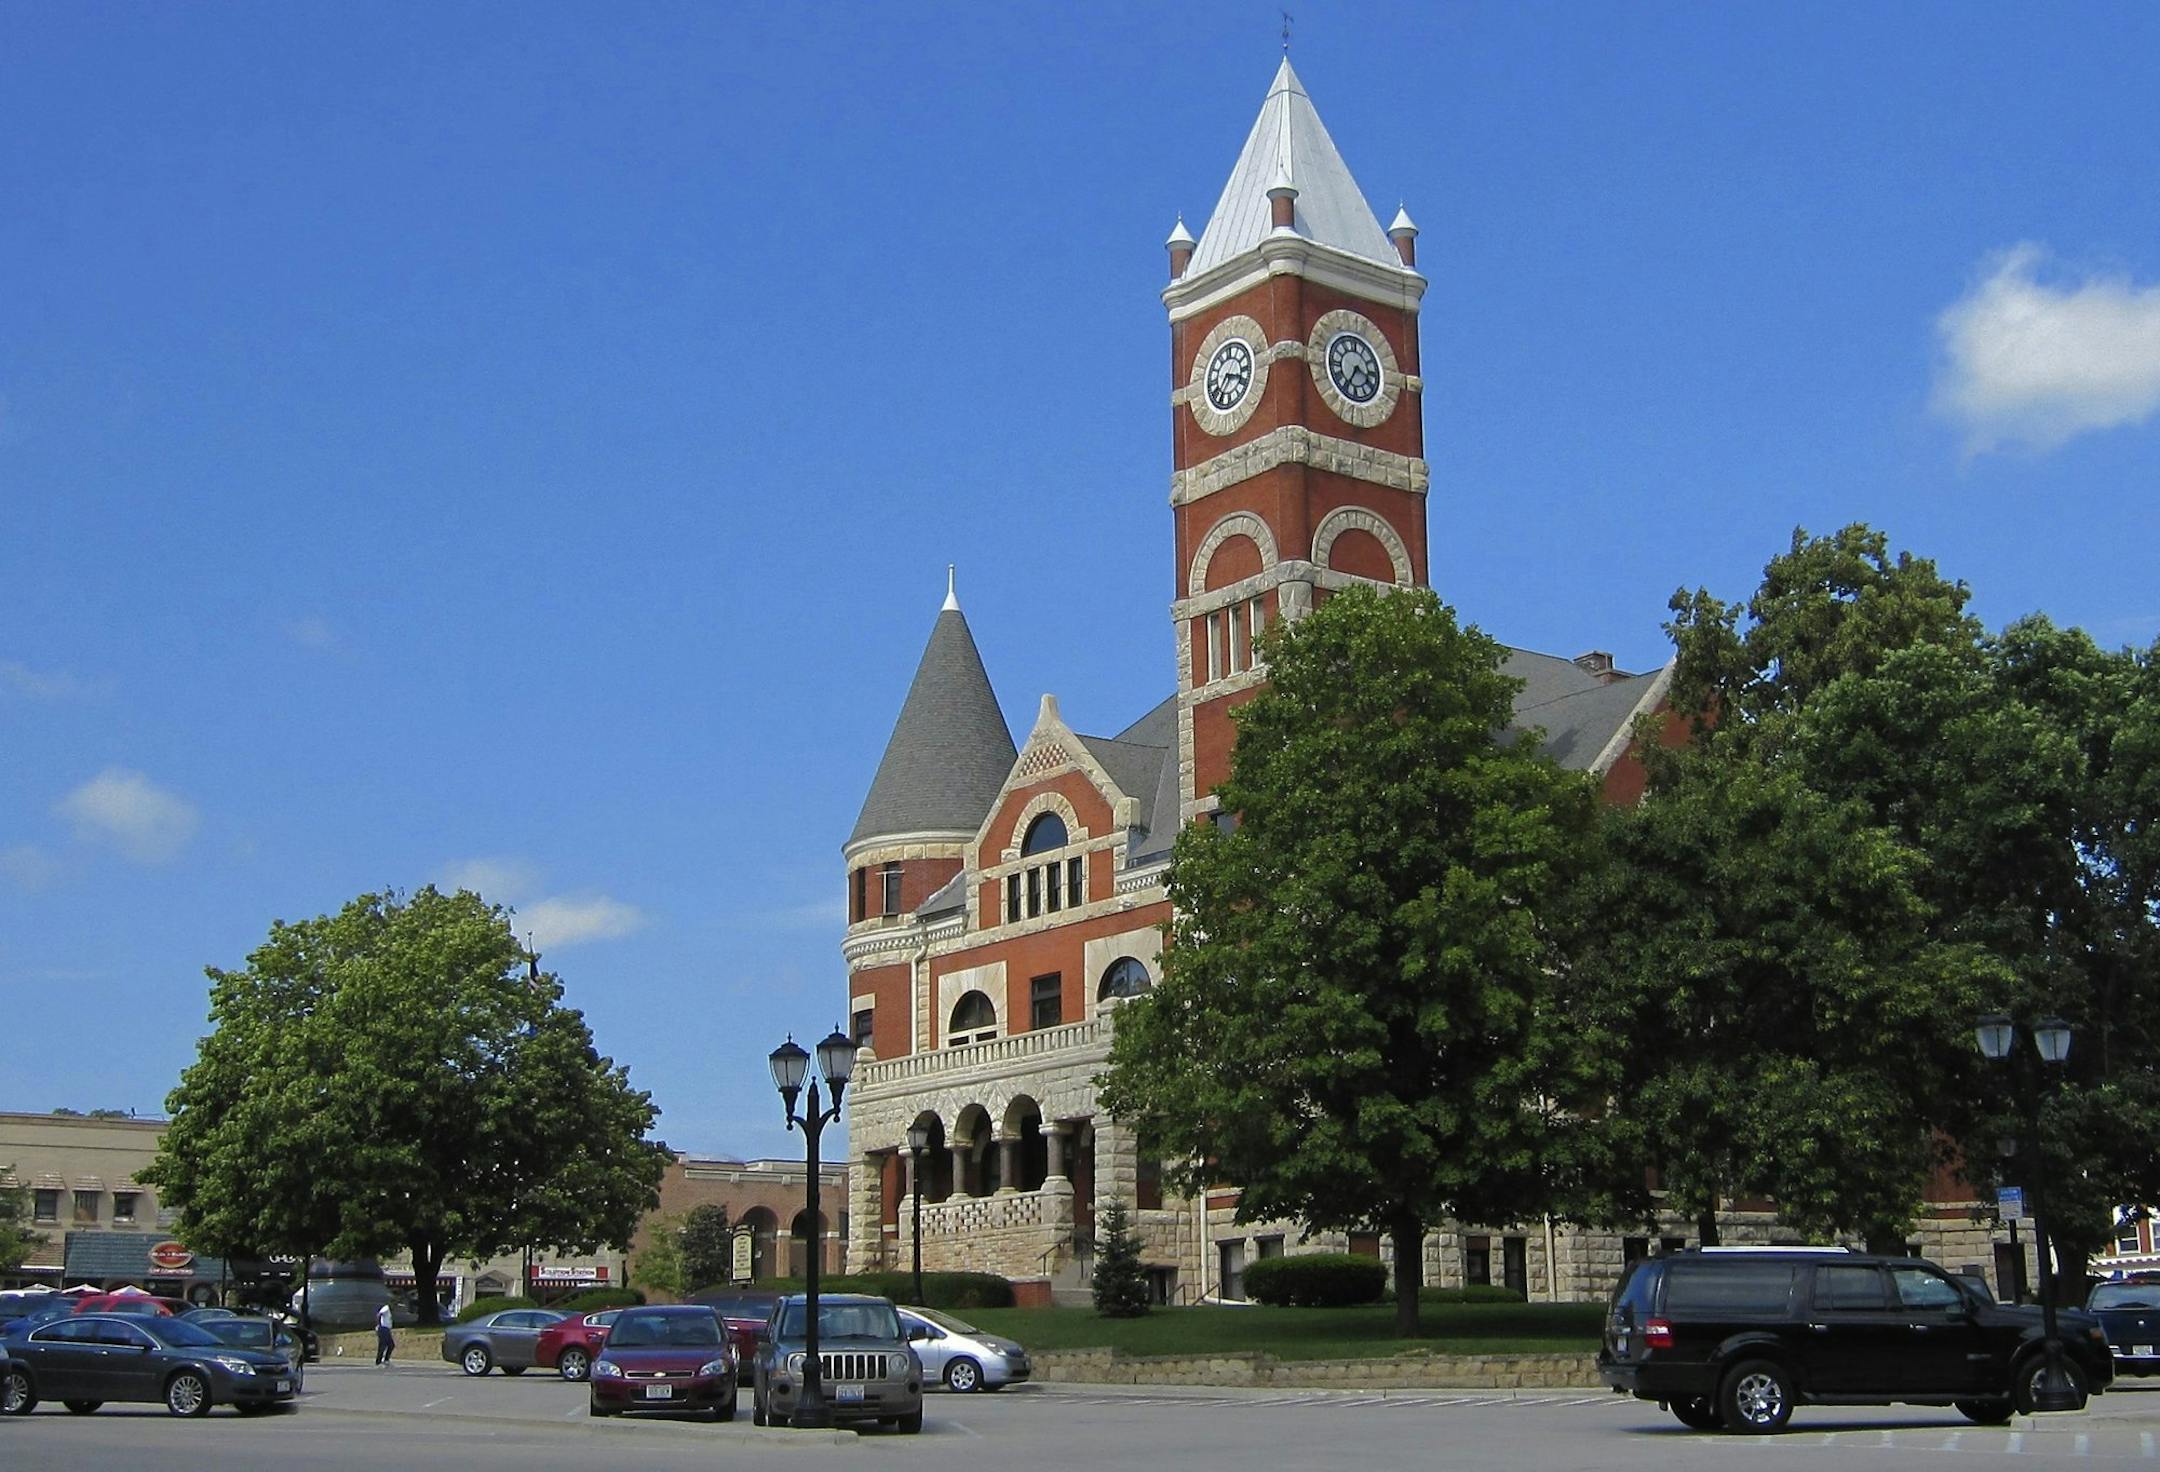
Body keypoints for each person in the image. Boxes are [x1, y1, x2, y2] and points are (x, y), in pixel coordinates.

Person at [374, 1301, 395, 1365]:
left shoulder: (389, 1311)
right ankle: (378, 1361)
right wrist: (378, 1325)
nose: (394, 1307)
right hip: (383, 1329)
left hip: (387, 1329)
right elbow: (379, 1315)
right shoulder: (386, 1308)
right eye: (394, 1305)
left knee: (391, 1345)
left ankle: (386, 1360)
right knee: (382, 1345)